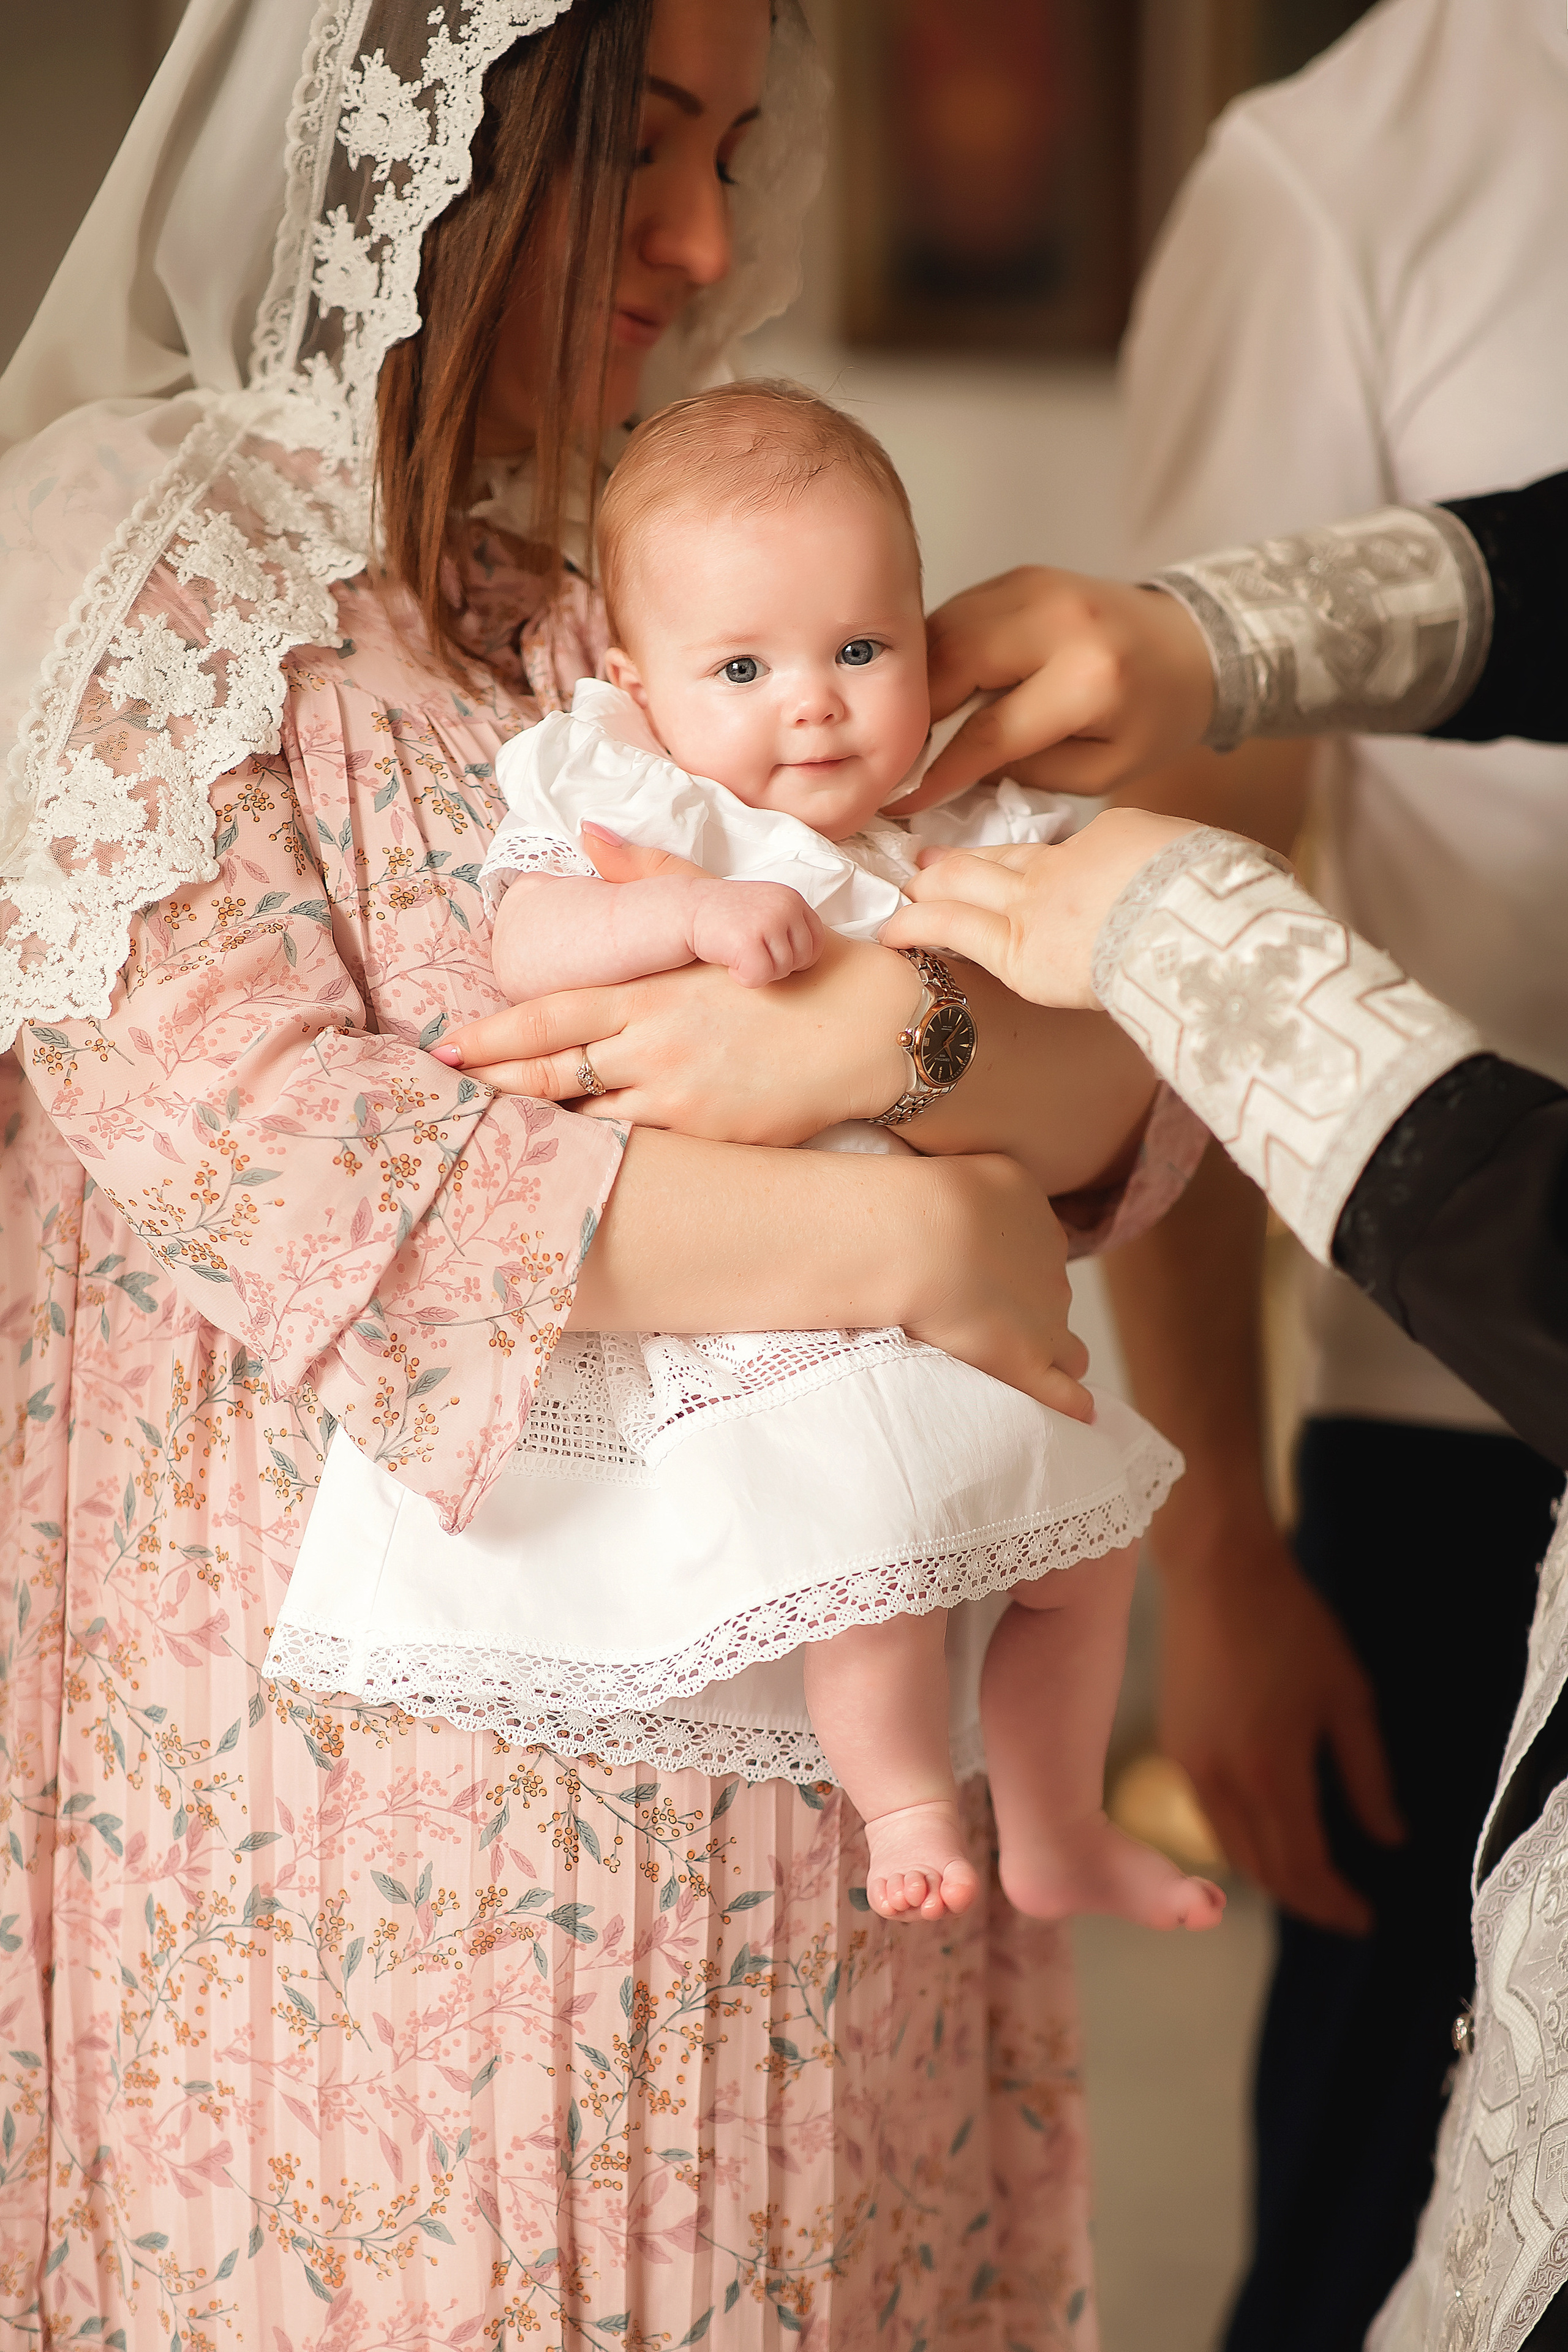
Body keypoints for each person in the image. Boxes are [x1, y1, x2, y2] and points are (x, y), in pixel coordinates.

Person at [0, 2, 1197, 2339]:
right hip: (365, 1876)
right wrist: (914, 1217)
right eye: (634, 150)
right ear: (413, 132)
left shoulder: (632, 580)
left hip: (822, 1817)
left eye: (731, 156)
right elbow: (297, 1170)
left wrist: (908, 1044)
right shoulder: (123, 555)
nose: (706, 241)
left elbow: (1118, 1095)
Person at [928, 3, 1568, 2339]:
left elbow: (1170, 927)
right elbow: (1200, 793)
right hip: (1452, 1428)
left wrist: (1193, 945)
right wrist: (1214, 634)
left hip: (1513, 1260)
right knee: (1375, 2191)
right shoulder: (1338, 169)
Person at [272, 377, 1218, 1936]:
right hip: (777, 1295)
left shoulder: (955, 819)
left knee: (1093, 1551)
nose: (814, 705)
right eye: (742, 668)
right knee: (872, 1566)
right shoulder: (640, 800)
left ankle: (1055, 1831)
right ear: (637, 687)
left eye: (860, 650)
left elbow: (1085, 1013)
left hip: (958, 1306)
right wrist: (690, 915)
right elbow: (525, 939)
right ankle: (906, 1806)